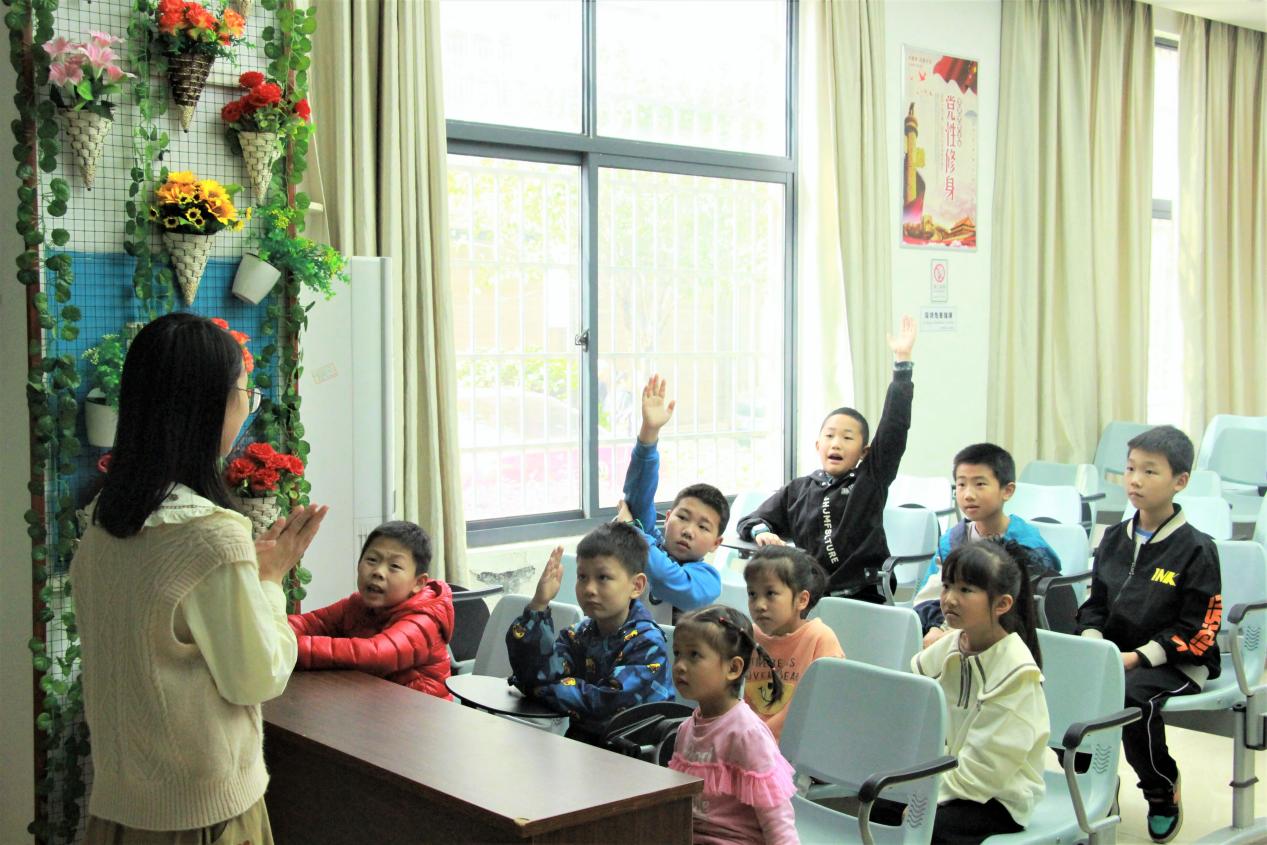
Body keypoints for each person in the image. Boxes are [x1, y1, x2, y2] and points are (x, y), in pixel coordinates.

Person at [74, 312, 327, 844]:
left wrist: (244, 570)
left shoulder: (103, 520)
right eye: (246, 393)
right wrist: (269, 579)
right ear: (208, 404)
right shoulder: (210, 532)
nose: (247, 408)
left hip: (120, 807)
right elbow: (258, 677)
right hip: (201, 814)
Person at [1076, 425, 1221, 844]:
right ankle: (1095, 781)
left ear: (1180, 481)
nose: (1135, 480)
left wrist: (1139, 657)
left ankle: (1161, 788)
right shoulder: (1113, 538)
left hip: (1177, 661)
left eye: (1149, 471)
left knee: (1130, 698)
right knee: (1061, 686)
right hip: (1115, 654)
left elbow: (1199, 628)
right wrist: (1093, 640)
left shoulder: (1197, 549)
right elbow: (1095, 603)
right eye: (1130, 469)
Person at [736, 316, 917, 601]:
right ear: (818, 445)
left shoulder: (870, 480)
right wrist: (761, 532)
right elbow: (753, 519)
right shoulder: (799, 489)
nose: (836, 443)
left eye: (847, 437)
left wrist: (902, 365)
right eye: (830, 436)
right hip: (811, 595)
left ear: (864, 451)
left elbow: (894, 428)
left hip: (862, 592)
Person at [911, 540, 1050, 845]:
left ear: (1002, 604)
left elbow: (985, 772)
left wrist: (923, 794)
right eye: (947, 586)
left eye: (965, 590)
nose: (949, 599)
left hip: (998, 798)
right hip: (946, 779)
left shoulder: (1017, 673)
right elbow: (912, 704)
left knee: (925, 827)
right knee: (878, 809)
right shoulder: (949, 646)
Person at [507, 522, 673, 743]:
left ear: (637, 586)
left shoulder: (646, 642)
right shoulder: (580, 634)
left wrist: (538, 688)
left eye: (603, 577)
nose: (589, 589)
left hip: (632, 758)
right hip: (582, 750)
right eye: (582, 577)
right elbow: (537, 672)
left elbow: (604, 705)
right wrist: (539, 604)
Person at [669, 604, 799, 845]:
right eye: (677, 653)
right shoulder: (686, 729)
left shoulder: (747, 734)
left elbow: (777, 818)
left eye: (694, 655)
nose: (680, 666)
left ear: (733, 668)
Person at [288, 520, 454, 698]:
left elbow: (377, 654)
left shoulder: (425, 620)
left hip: (422, 711)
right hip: (377, 704)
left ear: (418, 583)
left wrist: (286, 646)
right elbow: (310, 623)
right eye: (372, 560)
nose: (378, 572)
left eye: (395, 566)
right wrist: (270, 632)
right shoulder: (357, 604)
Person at [915, 443, 1062, 642]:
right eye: (961, 484)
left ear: (1007, 491)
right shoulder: (952, 540)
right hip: (950, 633)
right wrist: (935, 627)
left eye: (980, 484)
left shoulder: (1027, 548)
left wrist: (957, 634)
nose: (968, 495)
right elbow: (928, 596)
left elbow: (1022, 612)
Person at [618, 374, 726, 612]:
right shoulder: (650, 540)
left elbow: (665, 577)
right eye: (682, 517)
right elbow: (639, 494)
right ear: (667, 519)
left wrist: (632, 533)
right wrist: (649, 432)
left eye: (703, 527)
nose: (688, 531)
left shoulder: (707, 580)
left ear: (716, 543)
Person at [742, 546, 843, 741]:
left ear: (802, 600)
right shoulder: (748, 635)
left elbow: (826, 708)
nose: (759, 605)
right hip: (745, 742)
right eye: (752, 594)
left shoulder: (820, 638)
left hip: (795, 747)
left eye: (770, 593)